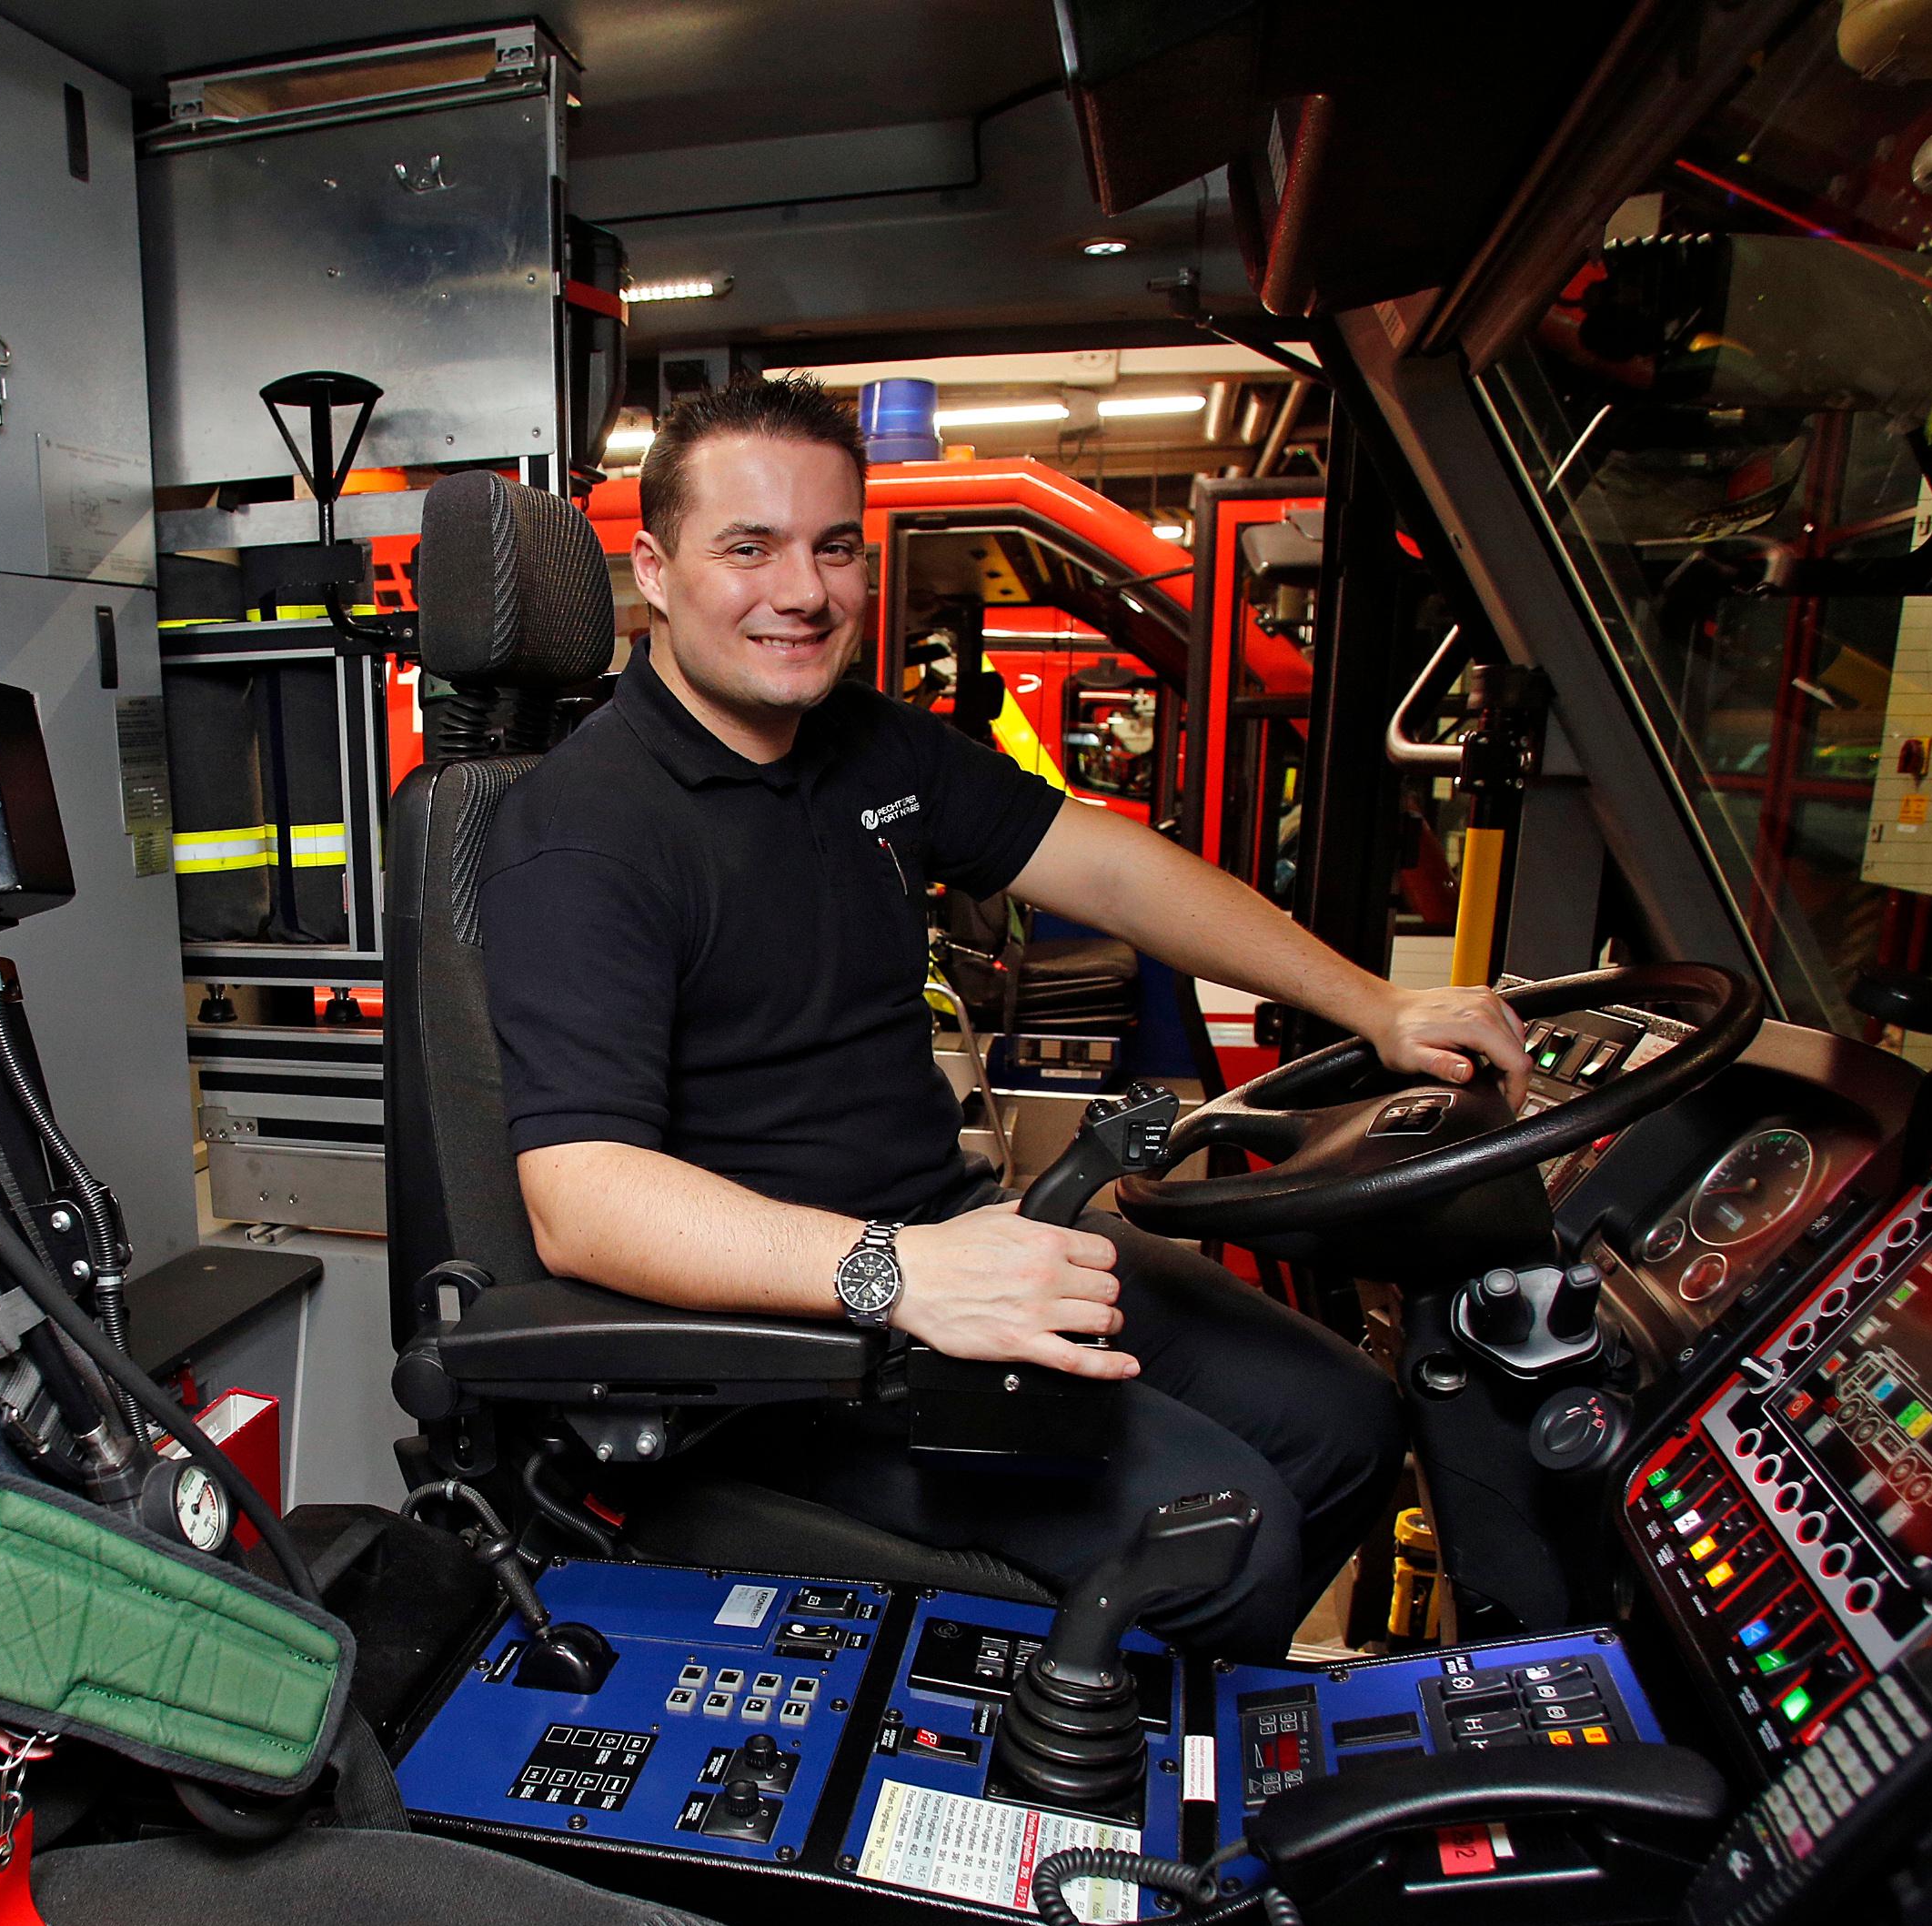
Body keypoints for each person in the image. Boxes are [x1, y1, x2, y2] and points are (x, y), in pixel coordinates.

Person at [478, 374, 1528, 1659]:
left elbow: (1111, 869)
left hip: (948, 1241)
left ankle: (1150, 1713)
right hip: (777, 1344)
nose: (802, 592)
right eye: (747, 548)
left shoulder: (868, 745)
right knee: (1224, 1536)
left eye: (832, 548)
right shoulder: (583, 830)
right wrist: (899, 1271)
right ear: (653, 570)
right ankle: (1076, 1749)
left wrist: (1377, 1003)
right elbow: (581, 1195)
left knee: (1350, 1422)